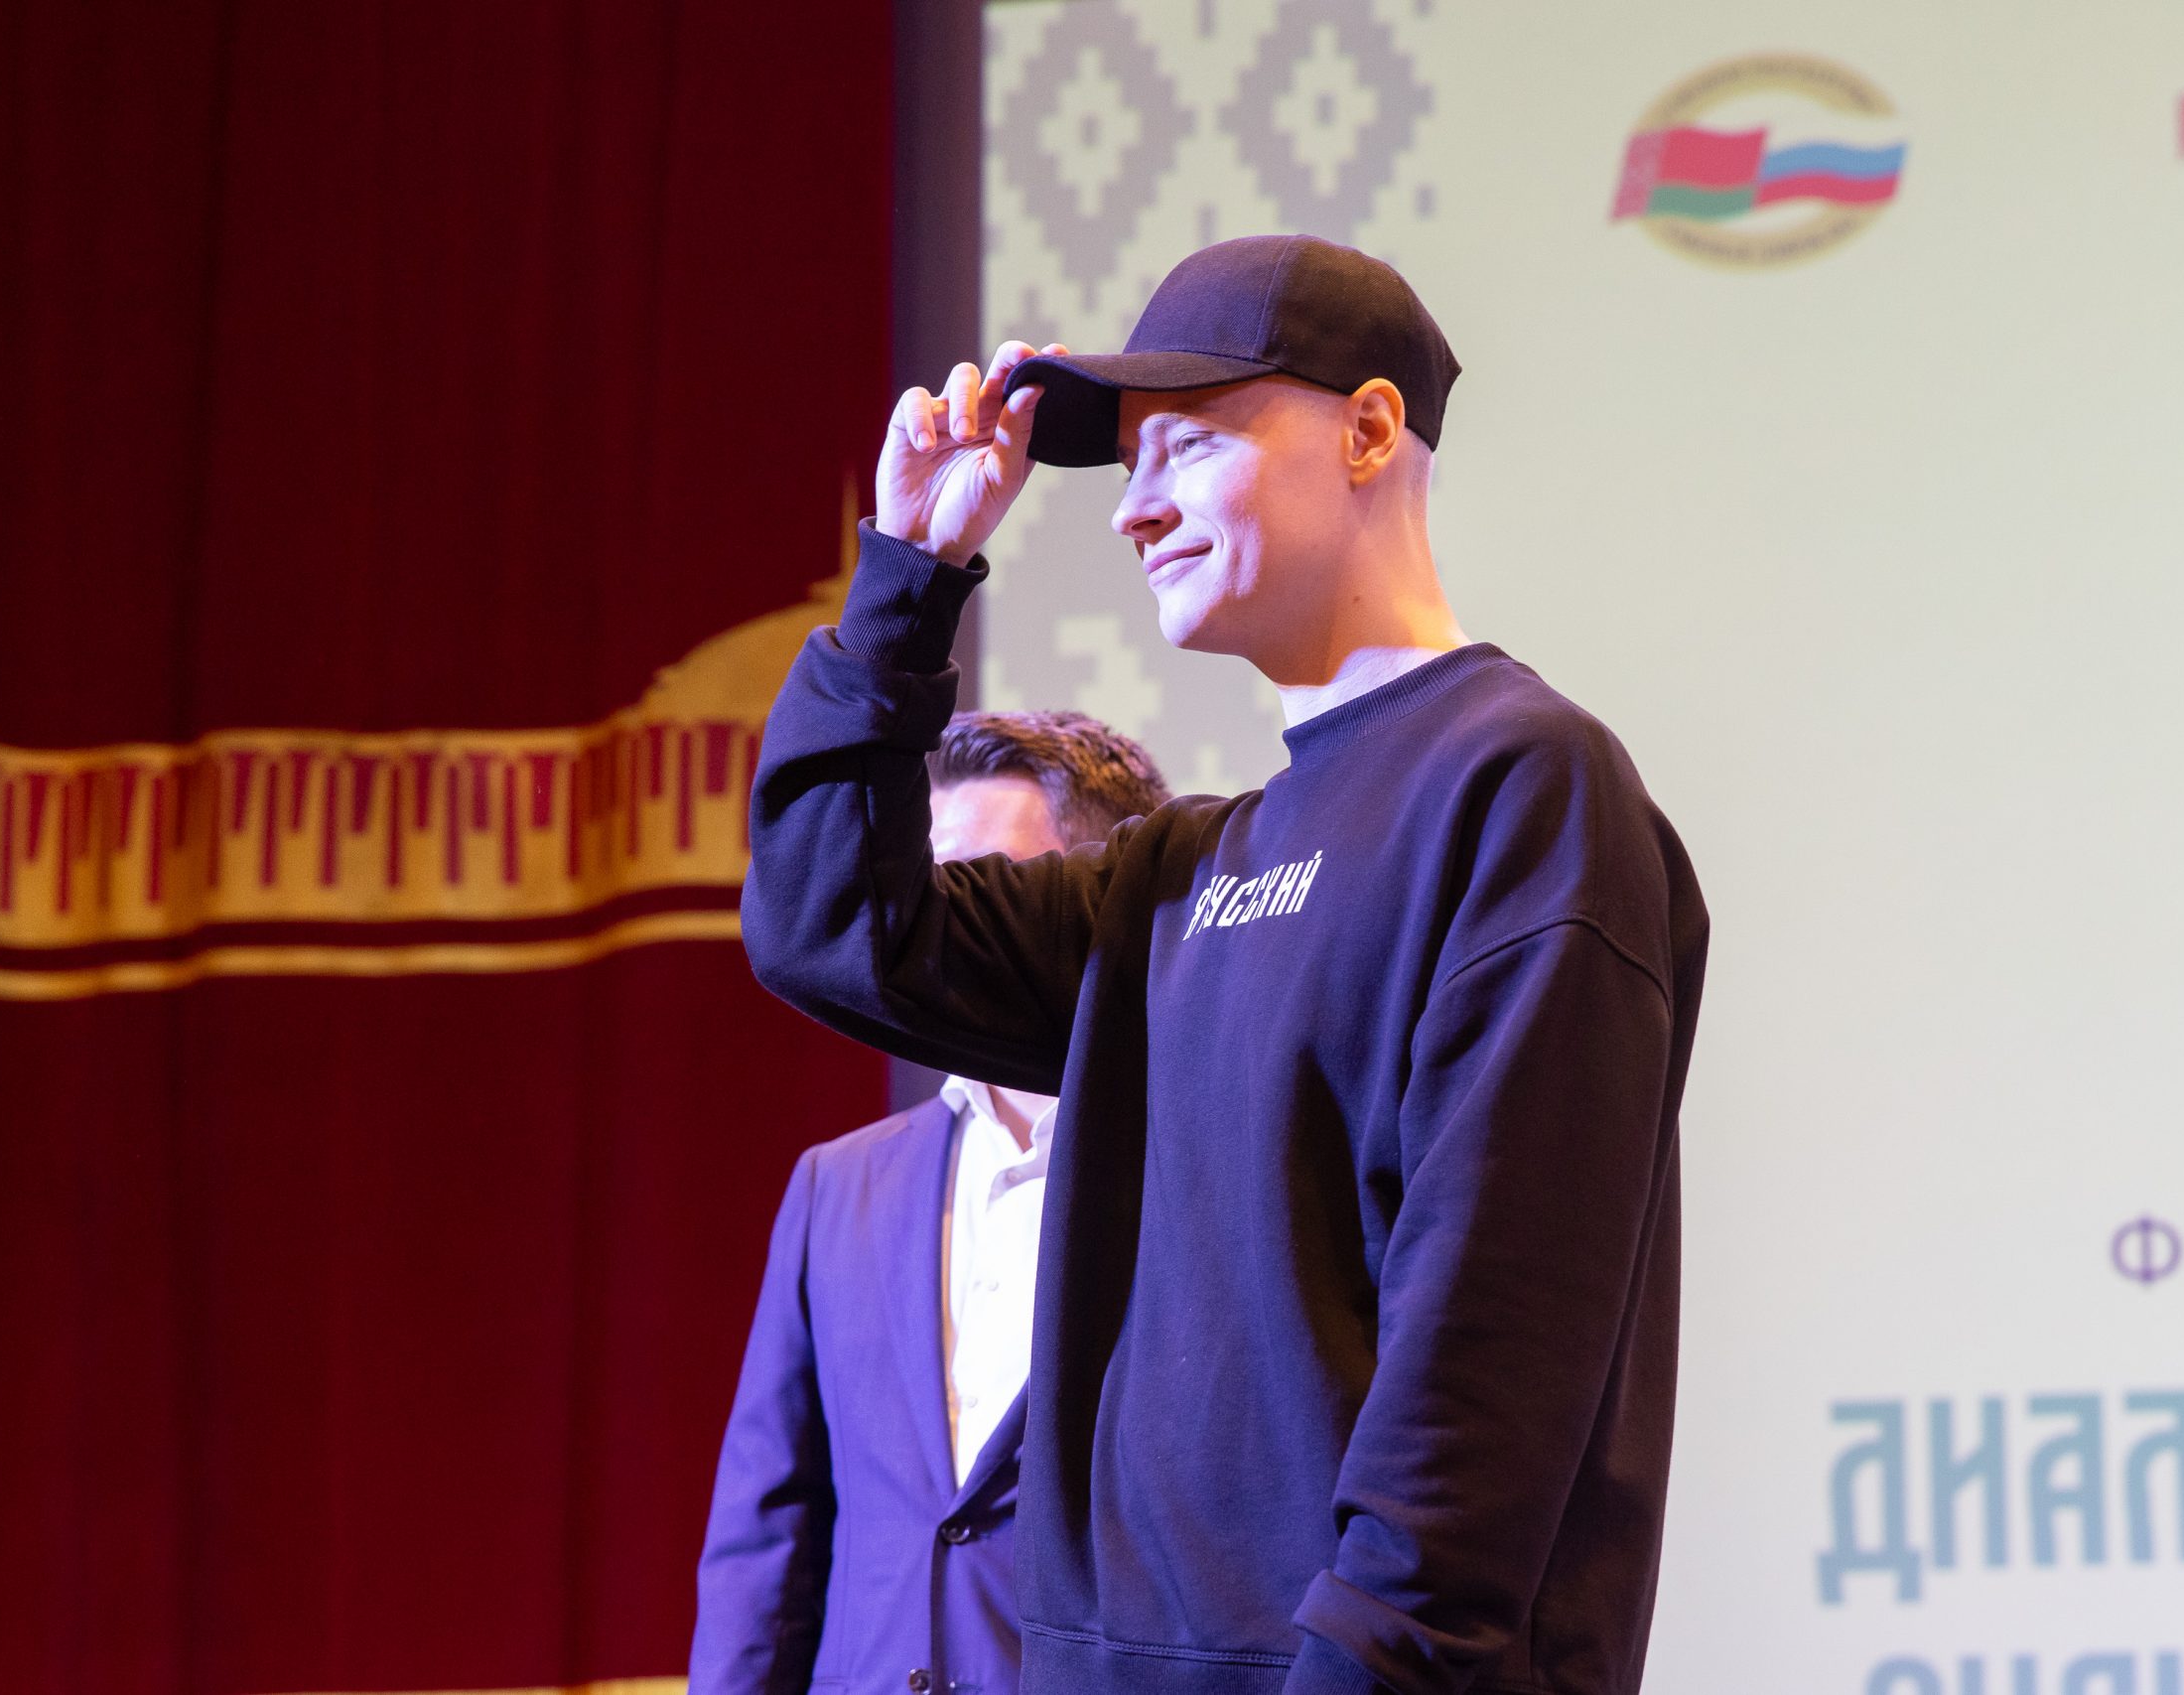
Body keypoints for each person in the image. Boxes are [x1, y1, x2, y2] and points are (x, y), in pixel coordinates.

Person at [743, 234, 1708, 1695]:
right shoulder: (1177, 874)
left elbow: (1488, 1366)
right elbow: (830, 929)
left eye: (1184, 447)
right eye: (1127, 463)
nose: (1133, 509)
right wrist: (907, 583)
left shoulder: (1519, 791)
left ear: (1368, 431)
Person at [692, 711, 1172, 1695]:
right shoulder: (842, 1183)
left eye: (986, 889)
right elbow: (768, 1529)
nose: (947, 925)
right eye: (933, 888)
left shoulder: (1200, 1168)